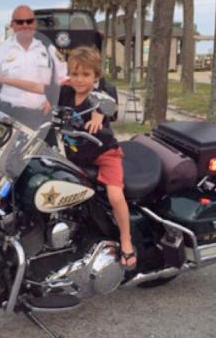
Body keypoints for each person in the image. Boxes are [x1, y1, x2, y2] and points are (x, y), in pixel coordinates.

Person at [58, 46, 136, 270]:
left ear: (96, 77)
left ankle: (126, 240)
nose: (80, 80)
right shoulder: (65, 92)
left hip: (105, 155)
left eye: (86, 75)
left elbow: (102, 103)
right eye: (75, 74)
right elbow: (42, 92)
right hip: (77, 157)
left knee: (114, 194)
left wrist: (97, 117)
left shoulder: (100, 96)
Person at [0, 5, 67, 125]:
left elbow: (63, 78)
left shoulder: (48, 49)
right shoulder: (1, 51)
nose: (25, 25)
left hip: (41, 115)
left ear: (35, 24)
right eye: (20, 22)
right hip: (9, 115)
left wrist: (52, 100)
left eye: (29, 21)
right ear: (12, 25)